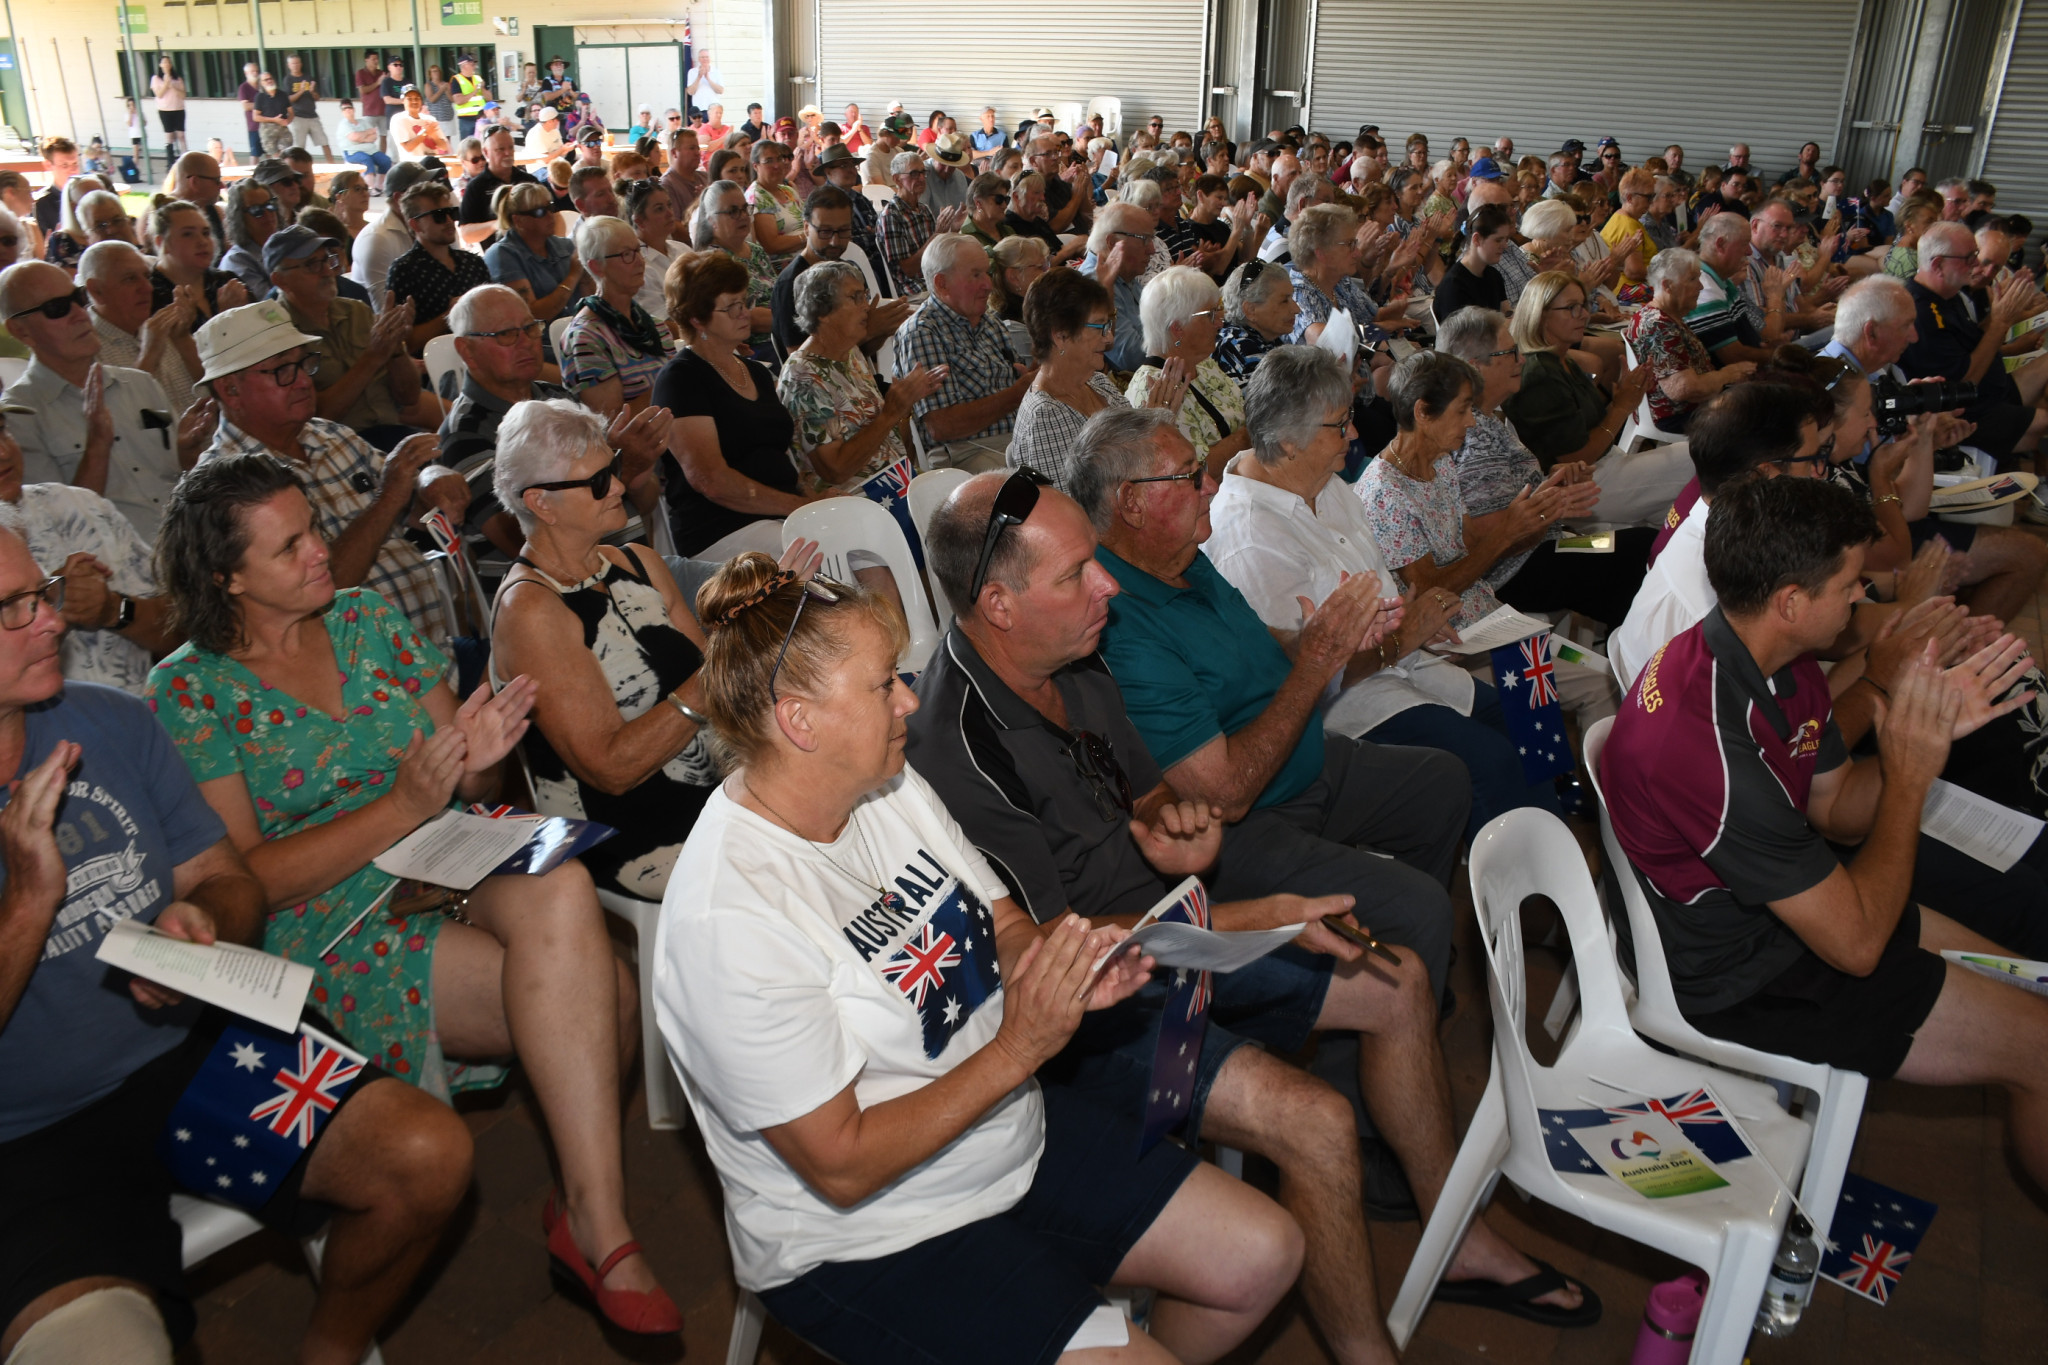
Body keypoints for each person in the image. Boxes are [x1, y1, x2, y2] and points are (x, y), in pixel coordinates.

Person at [913, 468, 1599, 1361]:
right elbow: (1052, 956)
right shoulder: (958, 749)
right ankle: (1367, 1353)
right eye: (1077, 572)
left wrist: (1177, 829)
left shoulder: (1073, 657)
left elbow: (1147, 793)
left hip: (1173, 932)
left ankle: (1457, 1234)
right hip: (1089, 1016)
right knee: (1313, 1118)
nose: (1108, 584)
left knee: (1396, 980)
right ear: (999, 605)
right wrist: (1254, 913)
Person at [655, 547, 1303, 1365]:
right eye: (882, 684)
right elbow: (843, 1165)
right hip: (867, 1235)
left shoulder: (887, 785)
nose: (909, 697)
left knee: (1262, 1254)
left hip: (997, 1130)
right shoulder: (729, 918)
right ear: (800, 721)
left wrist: (1068, 966)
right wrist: (1021, 1047)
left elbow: (1001, 922)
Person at [146, 453, 681, 1337]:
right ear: (224, 577)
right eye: (289, 547)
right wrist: (402, 804)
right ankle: (592, 1219)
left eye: (313, 528)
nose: (321, 551)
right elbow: (245, 877)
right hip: (323, 918)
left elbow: (470, 784)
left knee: (561, 885)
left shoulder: (366, 618)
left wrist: (479, 756)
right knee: (610, 996)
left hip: (442, 852)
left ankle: (598, 1220)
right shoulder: (188, 689)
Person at [0, 521, 475, 1365]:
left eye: (43, 593)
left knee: (427, 1156)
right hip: (29, 1136)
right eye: (13, 607)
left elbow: (230, 877)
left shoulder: (110, 721)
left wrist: (205, 922)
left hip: (193, 1048)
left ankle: (331, 1350)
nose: (53, 620)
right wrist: (32, 901)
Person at [1602, 472, 2048, 1189]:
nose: (1861, 597)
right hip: (1745, 976)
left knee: (2033, 983)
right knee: (2040, 1048)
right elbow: (1859, 946)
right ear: (1790, 601)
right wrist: (1910, 777)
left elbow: (1836, 806)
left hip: (1795, 913)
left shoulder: (1779, 662)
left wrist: (1922, 737)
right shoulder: (1701, 740)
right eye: (1849, 585)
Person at [1207, 344, 1568, 837]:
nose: (1355, 434)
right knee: (1490, 759)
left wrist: (1413, 619)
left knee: (1529, 705)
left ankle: (1554, 840)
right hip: (1343, 707)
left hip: (1402, 664)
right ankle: (1512, 869)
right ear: (1289, 442)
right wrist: (1403, 636)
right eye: (1340, 425)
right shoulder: (1250, 538)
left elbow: (1384, 593)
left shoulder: (1325, 485)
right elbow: (1302, 678)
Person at [1355, 351, 1615, 719]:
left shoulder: (1439, 462)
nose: (1472, 422)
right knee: (1601, 687)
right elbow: (1429, 591)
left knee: (1600, 672)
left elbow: (1470, 546)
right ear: (1423, 411)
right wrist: (1505, 534)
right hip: (1453, 643)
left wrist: (1539, 512)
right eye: (1463, 409)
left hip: (1487, 619)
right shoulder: (1387, 491)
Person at [194, 301, 457, 648]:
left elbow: (412, 505)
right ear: (230, 390)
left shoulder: (330, 435)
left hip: (432, 648)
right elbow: (316, 593)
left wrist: (432, 480)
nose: (304, 381)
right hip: (352, 671)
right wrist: (388, 498)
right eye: (283, 370)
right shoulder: (222, 487)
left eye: (304, 364)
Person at [1434, 306, 1646, 628]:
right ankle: (1642, 646)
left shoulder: (1486, 418)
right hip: (1517, 572)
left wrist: (1553, 484)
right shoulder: (1474, 434)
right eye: (1510, 353)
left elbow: (1509, 503)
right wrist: (1551, 505)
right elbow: (1495, 540)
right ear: (1475, 366)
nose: (1522, 360)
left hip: (1540, 549)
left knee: (1632, 544)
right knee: (1640, 550)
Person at [1, 261, 209, 542]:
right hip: (117, 562)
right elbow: (56, 530)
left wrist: (186, 454)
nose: (79, 314)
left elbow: (178, 474)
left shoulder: (140, 384)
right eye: (57, 309)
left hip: (191, 540)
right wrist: (97, 445)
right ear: (20, 331)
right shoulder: (18, 416)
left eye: (78, 298)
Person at [0, 402, 174, 694]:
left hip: (150, 711)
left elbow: (182, 631)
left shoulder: (78, 507)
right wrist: (45, 604)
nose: (3, 452)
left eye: (2, 430)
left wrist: (114, 608)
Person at [1498, 271, 1696, 526]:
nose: (1584, 315)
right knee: (1698, 456)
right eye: (1571, 308)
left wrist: (1623, 398)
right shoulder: (1540, 373)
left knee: (1680, 503)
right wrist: (1622, 407)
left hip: (1604, 466)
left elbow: (1594, 429)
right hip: (1579, 486)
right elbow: (1576, 458)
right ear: (1541, 314)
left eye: (1584, 305)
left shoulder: (1560, 360)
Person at [651, 251, 808, 553]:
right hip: (720, 528)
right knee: (823, 546)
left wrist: (811, 497)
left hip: (779, 515)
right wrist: (799, 506)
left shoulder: (755, 372)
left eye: (744, 302)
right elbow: (710, 481)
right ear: (697, 319)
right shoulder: (681, 378)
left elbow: (778, 457)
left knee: (859, 535)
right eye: (731, 307)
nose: (744, 313)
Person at [267, 224, 437, 448]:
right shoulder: (277, 334)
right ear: (280, 280)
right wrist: (373, 357)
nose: (327, 271)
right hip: (335, 448)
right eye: (312, 265)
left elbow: (409, 397)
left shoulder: (357, 311)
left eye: (327, 259)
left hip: (393, 434)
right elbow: (317, 418)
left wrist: (396, 349)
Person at [779, 261, 940, 495]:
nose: (866, 306)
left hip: (896, 481)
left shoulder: (850, 353)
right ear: (821, 311)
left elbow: (889, 441)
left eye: (864, 295)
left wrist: (904, 408)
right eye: (855, 298)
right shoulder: (802, 375)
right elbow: (835, 471)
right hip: (858, 500)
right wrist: (892, 411)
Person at [1899, 221, 2048, 464]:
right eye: (1969, 258)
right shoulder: (1921, 313)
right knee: (2044, 422)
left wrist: (2003, 309)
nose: (1976, 264)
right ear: (1938, 264)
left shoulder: (1950, 294)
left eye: (1975, 255)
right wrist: (2001, 322)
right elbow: (1962, 385)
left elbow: (1977, 340)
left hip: (1993, 389)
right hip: (1971, 411)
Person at [896, 234, 1034, 471]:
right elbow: (941, 426)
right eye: (976, 275)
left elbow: (1023, 383)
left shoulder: (990, 323)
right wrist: (1017, 393)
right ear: (942, 283)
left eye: (987, 273)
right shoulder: (923, 331)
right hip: (967, 451)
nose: (988, 284)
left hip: (1018, 437)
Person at [1009, 268, 1143, 488]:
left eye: (1108, 325)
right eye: (1099, 327)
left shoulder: (1098, 383)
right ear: (1061, 336)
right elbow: (1068, 505)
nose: (1109, 338)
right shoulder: (1045, 416)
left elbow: (1139, 451)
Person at [1125, 266, 1248, 475]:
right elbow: (1194, 473)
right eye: (1210, 315)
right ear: (1177, 328)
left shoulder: (1205, 364)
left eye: (1218, 310)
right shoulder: (1153, 389)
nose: (1220, 322)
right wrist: (1246, 437)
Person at [1626, 249, 1753, 433]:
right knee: (1764, 412)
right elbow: (1683, 389)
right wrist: (1728, 374)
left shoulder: (1668, 316)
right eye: (1693, 279)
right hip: (1677, 416)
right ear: (1668, 285)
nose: (1700, 287)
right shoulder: (1658, 325)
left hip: (1696, 407)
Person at [81, 240, 203, 422]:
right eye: (130, 279)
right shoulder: (85, 350)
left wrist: (183, 338)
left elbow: (212, 392)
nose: (148, 288)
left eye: (147, 276)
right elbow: (120, 424)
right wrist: (149, 355)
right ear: (96, 290)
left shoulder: (161, 326)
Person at [562, 216, 666, 420]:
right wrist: (673, 382)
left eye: (638, 250)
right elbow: (610, 422)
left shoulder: (653, 325)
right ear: (596, 267)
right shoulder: (585, 338)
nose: (640, 261)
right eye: (627, 254)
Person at [386, 179, 490, 352]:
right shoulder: (404, 270)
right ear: (415, 224)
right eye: (439, 216)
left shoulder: (473, 262)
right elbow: (403, 343)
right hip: (435, 362)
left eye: (451, 212)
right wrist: (449, 315)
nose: (449, 221)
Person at [689, 180, 778, 355]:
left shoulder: (756, 251)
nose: (743, 216)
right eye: (733, 211)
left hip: (780, 334)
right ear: (711, 221)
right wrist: (794, 320)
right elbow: (749, 318)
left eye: (745, 208)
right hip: (751, 349)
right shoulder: (712, 262)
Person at [149, 197, 247, 322]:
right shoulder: (149, 295)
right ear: (161, 243)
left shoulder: (225, 281)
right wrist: (225, 317)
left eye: (205, 233)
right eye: (188, 234)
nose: (202, 241)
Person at [877, 151, 956, 291]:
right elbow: (908, 270)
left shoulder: (924, 209)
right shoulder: (891, 215)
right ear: (897, 179)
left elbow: (938, 253)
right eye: (914, 174)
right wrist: (937, 235)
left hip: (933, 277)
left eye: (923, 172)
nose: (921, 178)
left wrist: (954, 229)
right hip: (912, 286)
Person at [1213, 257, 1301, 382]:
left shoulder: (1260, 339)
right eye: (1284, 301)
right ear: (1250, 310)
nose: (1296, 309)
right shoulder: (1243, 351)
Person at [1430, 202, 1514, 321]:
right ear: (1477, 239)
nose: (1505, 246)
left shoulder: (1494, 275)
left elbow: (1507, 312)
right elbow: (1461, 331)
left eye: (1506, 240)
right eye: (1498, 240)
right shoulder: (1454, 285)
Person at [457, 125, 538, 226]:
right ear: (486, 152)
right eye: (501, 149)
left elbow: (551, 216)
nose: (508, 153)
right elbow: (466, 231)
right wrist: (498, 225)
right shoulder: (476, 187)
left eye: (511, 147)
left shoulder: (529, 181)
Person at [217, 177, 282, 296]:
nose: (267, 213)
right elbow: (268, 304)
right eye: (256, 210)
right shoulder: (237, 260)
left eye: (270, 205)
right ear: (239, 217)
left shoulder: (284, 247)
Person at [336, 99, 390, 192]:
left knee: (385, 161)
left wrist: (361, 138)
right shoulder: (344, 124)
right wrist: (367, 133)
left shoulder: (363, 122)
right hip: (352, 152)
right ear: (342, 112)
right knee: (366, 160)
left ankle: (379, 186)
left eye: (349, 107)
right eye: (344, 109)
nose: (347, 110)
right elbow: (354, 137)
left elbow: (374, 136)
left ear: (353, 109)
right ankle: (369, 188)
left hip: (371, 150)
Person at [150, 57, 190, 155]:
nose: (166, 64)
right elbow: (159, 94)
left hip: (178, 109)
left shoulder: (178, 79)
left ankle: (185, 156)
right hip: (164, 110)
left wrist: (172, 86)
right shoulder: (156, 78)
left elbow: (183, 95)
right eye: (164, 62)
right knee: (169, 136)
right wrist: (166, 84)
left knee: (181, 135)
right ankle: (170, 158)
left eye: (168, 62)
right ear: (160, 65)